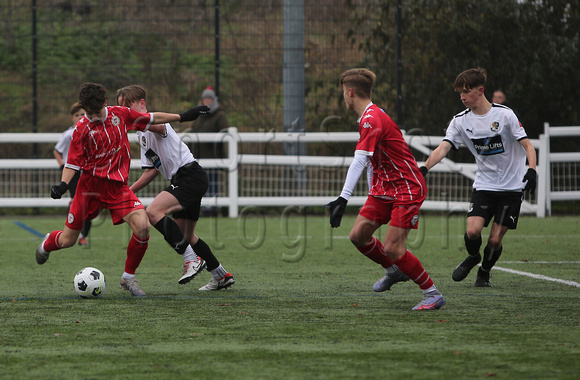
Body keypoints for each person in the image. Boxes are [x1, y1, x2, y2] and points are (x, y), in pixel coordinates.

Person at [35, 82, 210, 297]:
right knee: (68, 240)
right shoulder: (81, 129)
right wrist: (63, 185)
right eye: (88, 113)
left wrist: (183, 116)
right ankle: (47, 243)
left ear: (105, 103)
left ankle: (128, 278)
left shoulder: (120, 115)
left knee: (143, 226)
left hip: (117, 188)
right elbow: (72, 163)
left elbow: (152, 118)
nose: (93, 116)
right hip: (89, 189)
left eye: (96, 111)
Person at [325, 68, 445, 311]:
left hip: (406, 188)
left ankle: (432, 293)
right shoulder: (369, 117)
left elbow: (359, 160)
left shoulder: (371, 119)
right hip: (385, 189)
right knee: (358, 235)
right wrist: (372, 194)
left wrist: (342, 198)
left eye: (343, 93)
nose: (343, 98)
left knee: (392, 247)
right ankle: (394, 270)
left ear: (350, 92)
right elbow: (371, 161)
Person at [420, 68, 537, 287]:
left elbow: (528, 146)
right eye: (459, 93)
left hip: (511, 189)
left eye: (466, 91)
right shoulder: (460, 121)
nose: (462, 97)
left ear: (480, 90)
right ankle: (473, 257)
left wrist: (532, 171)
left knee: (494, 240)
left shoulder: (505, 115)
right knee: (473, 232)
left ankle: (484, 272)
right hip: (484, 186)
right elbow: (443, 148)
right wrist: (424, 169)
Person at [117, 85, 235, 290]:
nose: (125, 111)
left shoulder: (155, 122)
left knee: (153, 212)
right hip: (185, 179)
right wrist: (128, 191)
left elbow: (156, 126)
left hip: (190, 176)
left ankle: (191, 260)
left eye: (128, 106)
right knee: (187, 236)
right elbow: (152, 170)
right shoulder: (141, 135)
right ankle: (221, 275)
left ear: (142, 104)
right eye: (121, 108)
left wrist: (134, 121)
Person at [183, 86, 229, 216]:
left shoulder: (220, 115)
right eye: (205, 98)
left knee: (212, 181)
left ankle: (212, 208)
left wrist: (213, 140)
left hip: (213, 155)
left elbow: (225, 133)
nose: (207, 101)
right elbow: (192, 132)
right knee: (200, 183)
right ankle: (203, 208)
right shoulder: (198, 115)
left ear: (213, 100)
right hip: (198, 156)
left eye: (209, 98)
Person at [53, 102, 92, 247]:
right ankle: (74, 234)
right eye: (77, 115)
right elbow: (57, 150)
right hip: (73, 173)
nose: (80, 117)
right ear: (72, 118)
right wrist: (62, 165)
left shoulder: (91, 131)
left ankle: (83, 235)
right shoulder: (68, 134)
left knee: (88, 204)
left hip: (88, 172)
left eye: (83, 114)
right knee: (79, 202)